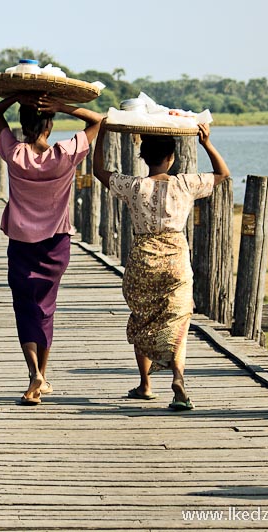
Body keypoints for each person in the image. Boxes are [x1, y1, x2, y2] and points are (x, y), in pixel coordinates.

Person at [92, 122, 230, 410]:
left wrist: (102, 134)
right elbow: (222, 174)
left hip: (143, 259)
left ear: (143, 157)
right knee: (177, 321)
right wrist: (206, 143)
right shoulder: (184, 184)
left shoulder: (134, 186)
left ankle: (145, 384)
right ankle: (178, 378)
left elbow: (99, 171)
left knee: (143, 318)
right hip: (176, 259)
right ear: (172, 157)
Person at [0, 93, 104, 405]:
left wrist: (15, 95)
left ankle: (34, 375)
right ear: (49, 126)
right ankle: (42, 374)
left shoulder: (15, 153)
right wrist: (61, 106)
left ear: (22, 125)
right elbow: (98, 121)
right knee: (46, 308)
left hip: (22, 243)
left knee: (24, 308)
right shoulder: (65, 154)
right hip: (56, 244)